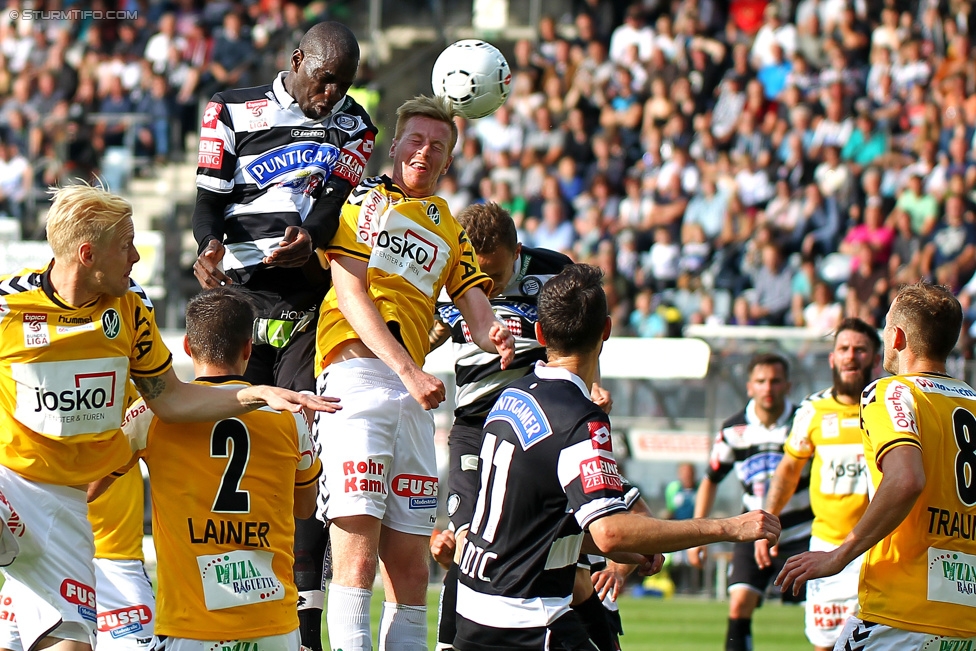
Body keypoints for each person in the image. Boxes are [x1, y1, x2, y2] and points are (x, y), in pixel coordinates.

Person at [0, 184, 334, 651]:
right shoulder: (7, 308)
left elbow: (171, 400)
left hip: (66, 506)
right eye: (126, 246)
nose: (136, 256)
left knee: (69, 645)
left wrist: (253, 393)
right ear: (88, 253)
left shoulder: (132, 308)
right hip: (12, 482)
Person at [453, 264, 782, 650]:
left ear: (540, 334)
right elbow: (610, 531)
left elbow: (533, 529)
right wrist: (731, 528)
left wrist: (634, 549)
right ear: (606, 330)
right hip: (525, 618)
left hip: (473, 606)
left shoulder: (511, 396)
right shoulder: (579, 418)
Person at [190, 22, 376, 648]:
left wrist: (315, 237)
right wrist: (206, 243)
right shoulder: (230, 108)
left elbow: (340, 196)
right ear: (298, 58)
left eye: (345, 84)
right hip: (238, 298)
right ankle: (218, 609)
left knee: (303, 443)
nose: (334, 93)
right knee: (227, 436)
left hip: (308, 303)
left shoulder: (356, 122)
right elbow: (208, 196)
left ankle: (304, 626)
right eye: (327, 79)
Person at [313, 95, 516, 651]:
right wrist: (406, 369)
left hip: (413, 398)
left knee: (410, 571)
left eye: (438, 146)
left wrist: (492, 331)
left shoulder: (450, 225)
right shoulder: (366, 200)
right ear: (395, 144)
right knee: (354, 557)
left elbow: (476, 308)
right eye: (417, 140)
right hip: (356, 382)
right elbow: (348, 289)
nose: (425, 152)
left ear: (448, 161)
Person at [425, 202, 623, 651]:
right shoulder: (449, 269)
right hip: (477, 425)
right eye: (478, 274)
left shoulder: (556, 272)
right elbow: (429, 335)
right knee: (465, 540)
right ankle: (449, 645)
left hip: (543, 425)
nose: (486, 286)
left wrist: (592, 386)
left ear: (517, 251)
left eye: (494, 274)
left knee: (567, 550)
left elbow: (587, 332)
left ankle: (600, 632)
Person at [94, 286, 321, 651]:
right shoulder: (287, 418)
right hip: (273, 626)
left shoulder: (152, 416)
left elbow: (89, 488)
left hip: (190, 627)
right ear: (249, 349)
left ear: (186, 346)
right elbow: (306, 507)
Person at [779, 283, 976, 649]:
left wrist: (838, 556)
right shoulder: (973, 402)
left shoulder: (890, 392)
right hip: (964, 612)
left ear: (897, 336)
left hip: (901, 607)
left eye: (885, 328)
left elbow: (905, 480)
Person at [755, 318, 880, 651]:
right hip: (827, 546)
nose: (851, 357)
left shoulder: (888, 407)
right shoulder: (812, 410)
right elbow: (788, 470)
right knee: (825, 645)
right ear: (832, 358)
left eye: (860, 349)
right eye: (843, 349)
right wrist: (766, 520)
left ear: (875, 358)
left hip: (880, 550)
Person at [688, 352, 811, 651]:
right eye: (761, 381)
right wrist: (697, 536)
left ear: (788, 385)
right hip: (752, 530)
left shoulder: (804, 422)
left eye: (775, 381)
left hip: (802, 532)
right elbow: (710, 480)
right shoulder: (734, 431)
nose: (768, 388)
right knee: (739, 602)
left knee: (824, 611)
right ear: (749, 387)